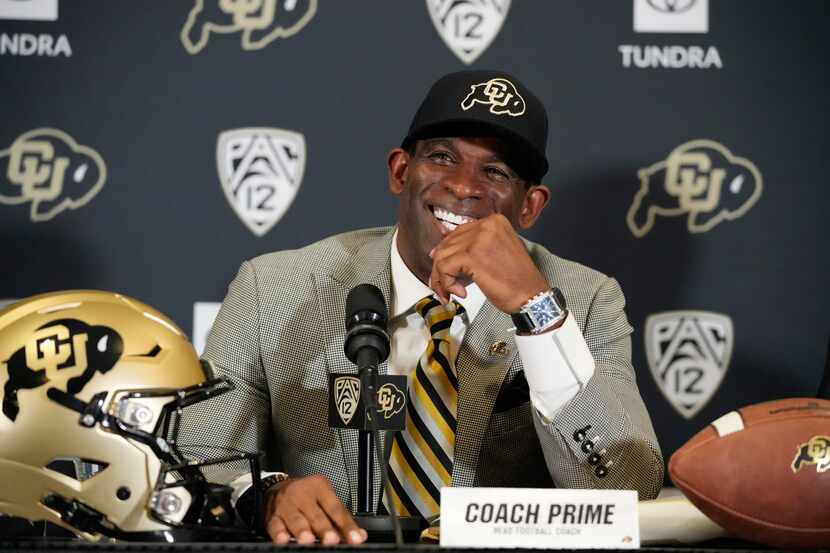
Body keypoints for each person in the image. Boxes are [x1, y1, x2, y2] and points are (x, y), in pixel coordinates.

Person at [181, 70, 663, 545]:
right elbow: (194, 457)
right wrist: (264, 494)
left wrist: (534, 311)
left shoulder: (585, 299)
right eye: (441, 157)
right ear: (400, 170)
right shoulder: (275, 287)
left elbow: (628, 487)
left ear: (529, 207)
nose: (463, 186)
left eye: (495, 172)